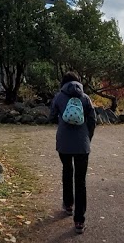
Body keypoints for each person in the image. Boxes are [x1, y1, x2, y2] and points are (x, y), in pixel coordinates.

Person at [49, 71, 96, 234]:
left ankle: (68, 204)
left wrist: (62, 121)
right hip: (82, 145)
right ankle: (79, 221)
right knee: (81, 180)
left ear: (63, 83)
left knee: (67, 170)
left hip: (64, 143)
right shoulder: (86, 98)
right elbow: (92, 120)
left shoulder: (59, 97)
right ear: (78, 82)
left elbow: (51, 116)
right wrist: (87, 137)